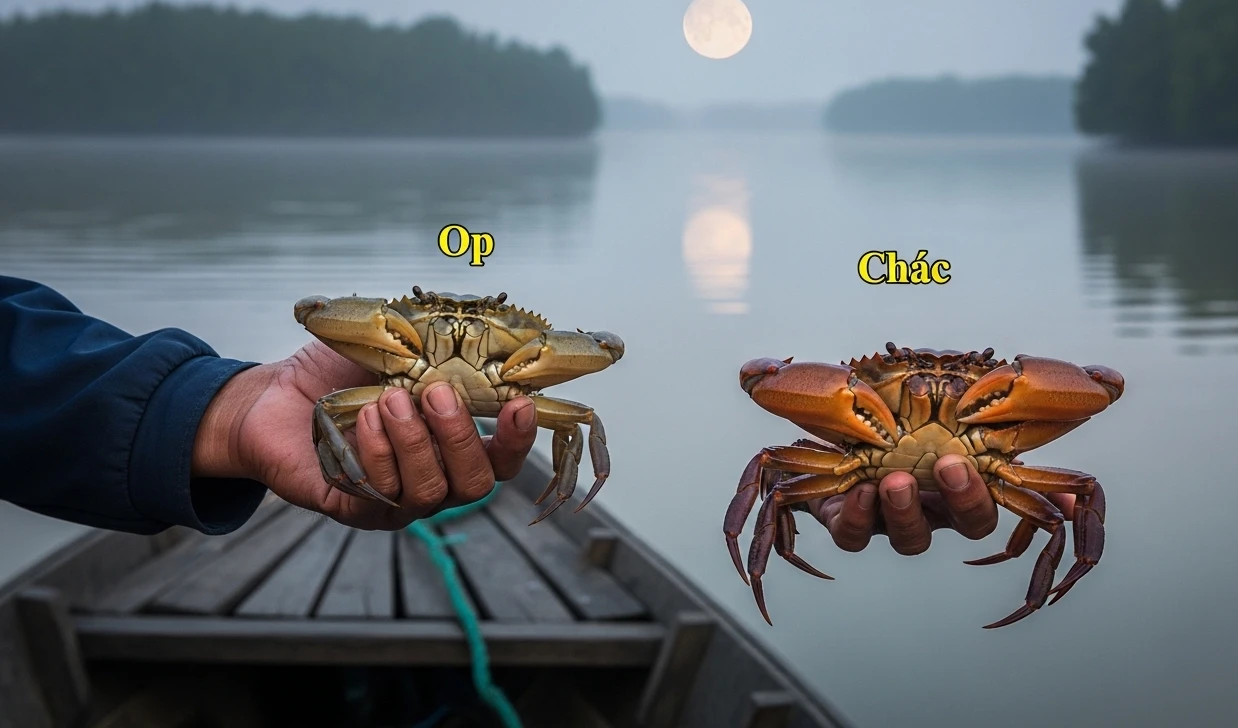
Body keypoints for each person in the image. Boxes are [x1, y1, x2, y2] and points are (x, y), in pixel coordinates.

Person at [0, 275, 1054, 553]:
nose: (460, 339)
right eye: (435, 326)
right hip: (380, 396)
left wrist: (226, 412)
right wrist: (248, 413)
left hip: (476, 409)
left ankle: (564, 504)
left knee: (570, 432)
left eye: (486, 333)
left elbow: (593, 385)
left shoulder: (538, 378)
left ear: (521, 341)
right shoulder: (373, 362)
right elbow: (317, 328)